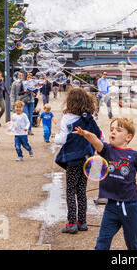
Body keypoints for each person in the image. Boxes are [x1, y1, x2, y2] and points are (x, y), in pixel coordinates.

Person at [73, 117, 137, 250]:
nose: (113, 132)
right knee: (102, 242)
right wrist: (87, 135)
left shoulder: (135, 156)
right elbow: (96, 141)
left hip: (130, 206)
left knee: (132, 243)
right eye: (111, 130)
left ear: (128, 137)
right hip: (111, 206)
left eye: (118, 130)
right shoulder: (106, 150)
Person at [54, 88, 103, 235]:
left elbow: (62, 139)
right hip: (87, 159)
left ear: (70, 102)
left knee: (70, 191)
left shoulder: (67, 118)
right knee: (81, 191)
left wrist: (55, 137)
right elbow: (101, 136)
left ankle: (71, 223)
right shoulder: (89, 118)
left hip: (73, 159)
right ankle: (82, 222)